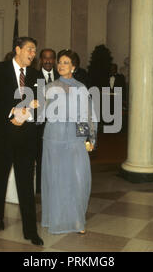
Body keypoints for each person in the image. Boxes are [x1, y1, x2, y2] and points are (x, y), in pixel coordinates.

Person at [0, 37, 43, 246]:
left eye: (35, 50)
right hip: (3, 136)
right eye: (30, 49)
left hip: (26, 139)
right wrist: (13, 112)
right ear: (17, 49)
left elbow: (41, 105)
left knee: (26, 184)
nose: (33, 54)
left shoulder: (36, 75)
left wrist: (32, 109)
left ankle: (30, 230)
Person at [41, 49, 97, 235]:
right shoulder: (49, 87)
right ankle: (56, 219)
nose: (61, 65)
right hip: (54, 137)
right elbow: (42, 113)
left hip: (74, 138)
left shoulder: (80, 87)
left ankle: (76, 220)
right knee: (56, 179)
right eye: (60, 62)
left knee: (78, 179)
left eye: (66, 62)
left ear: (74, 66)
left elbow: (87, 114)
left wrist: (90, 138)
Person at [35, 48, 59, 194]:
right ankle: (40, 187)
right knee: (40, 158)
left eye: (51, 58)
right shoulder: (33, 77)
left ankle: (56, 186)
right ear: (41, 60)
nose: (48, 61)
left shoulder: (61, 77)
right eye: (45, 58)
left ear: (54, 60)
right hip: (39, 127)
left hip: (58, 126)